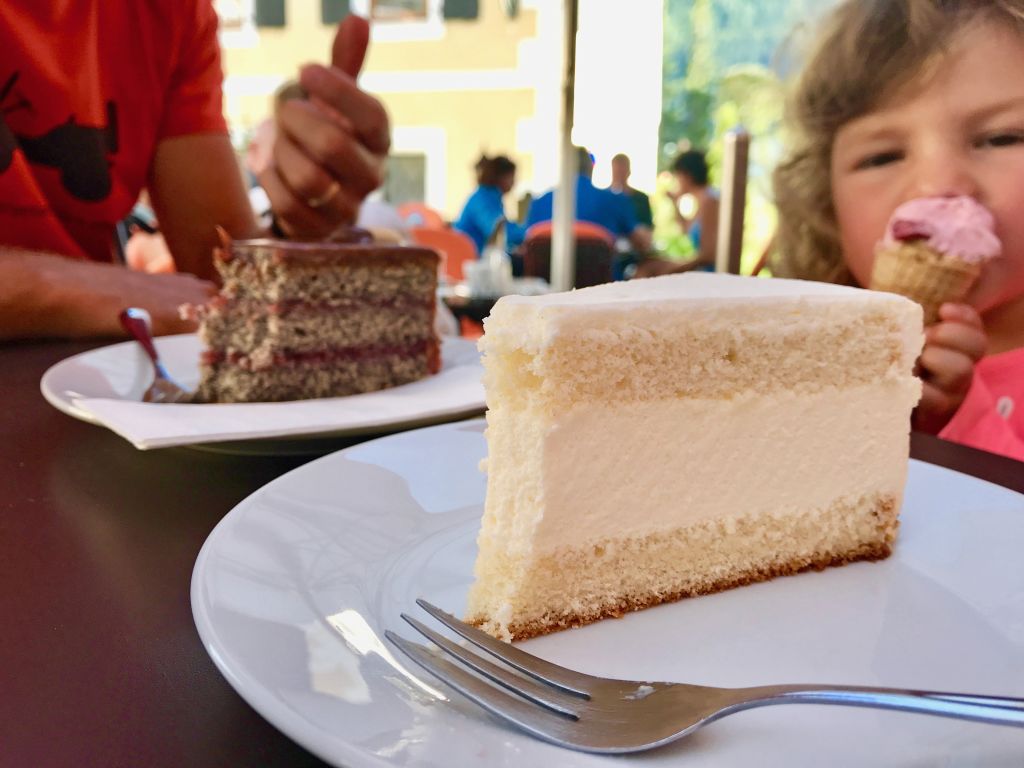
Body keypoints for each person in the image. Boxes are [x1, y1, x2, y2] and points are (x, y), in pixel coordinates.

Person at [0, 8, 389, 340]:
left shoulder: (171, 11)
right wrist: (75, 288)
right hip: (97, 357)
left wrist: (304, 225)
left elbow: (220, 274)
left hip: (106, 375)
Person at [772, 0, 1024, 461]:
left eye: (1001, 137)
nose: (939, 184)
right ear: (827, 208)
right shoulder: (818, 361)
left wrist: (958, 422)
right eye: (881, 157)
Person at [524, 146, 652, 254]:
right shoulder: (614, 201)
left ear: (563, 167)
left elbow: (524, 244)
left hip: (546, 281)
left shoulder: (538, 203)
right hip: (602, 282)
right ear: (592, 167)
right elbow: (642, 243)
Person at [453, 154, 526, 254]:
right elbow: (499, 231)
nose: (514, 182)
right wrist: (529, 232)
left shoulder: (488, 196)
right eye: (512, 177)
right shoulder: (484, 199)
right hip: (470, 259)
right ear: (501, 177)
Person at [607, 153, 653, 229]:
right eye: (617, 171)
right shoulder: (604, 198)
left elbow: (648, 227)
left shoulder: (641, 198)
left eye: (622, 170)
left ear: (629, 171)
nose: (619, 174)